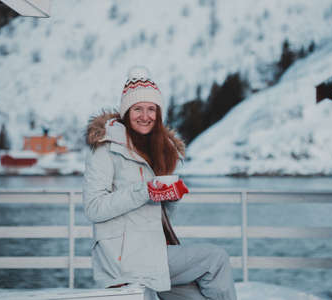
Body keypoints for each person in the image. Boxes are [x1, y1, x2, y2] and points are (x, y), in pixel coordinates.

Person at [83, 66, 237, 300]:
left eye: (151, 109)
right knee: (215, 259)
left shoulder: (158, 149)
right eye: (138, 109)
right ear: (126, 111)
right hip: (125, 259)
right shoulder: (106, 148)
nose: (145, 116)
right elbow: (93, 208)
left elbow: (153, 216)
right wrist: (145, 190)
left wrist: (170, 197)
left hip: (154, 252)